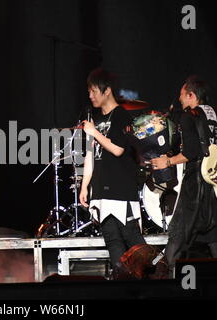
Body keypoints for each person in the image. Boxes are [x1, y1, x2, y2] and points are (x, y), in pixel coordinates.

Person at [151, 75, 217, 277]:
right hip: (211, 181)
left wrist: (167, 161)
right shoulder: (212, 113)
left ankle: (162, 281)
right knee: (214, 235)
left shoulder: (188, 116)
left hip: (195, 183)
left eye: (182, 95)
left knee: (177, 233)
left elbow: (190, 153)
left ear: (191, 95)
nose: (179, 99)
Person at [79, 67, 146, 278]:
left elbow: (118, 149)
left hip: (120, 188)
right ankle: (122, 280)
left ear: (106, 90)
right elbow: (90, 155)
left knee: (131, 237)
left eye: (93, 91)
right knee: (112, 239)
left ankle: (157, 274)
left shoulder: (121, 116)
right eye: (88, 91)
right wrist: (84, 185)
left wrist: (94, 132)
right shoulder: (95, 119)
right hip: (101, 188)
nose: (90, 96)